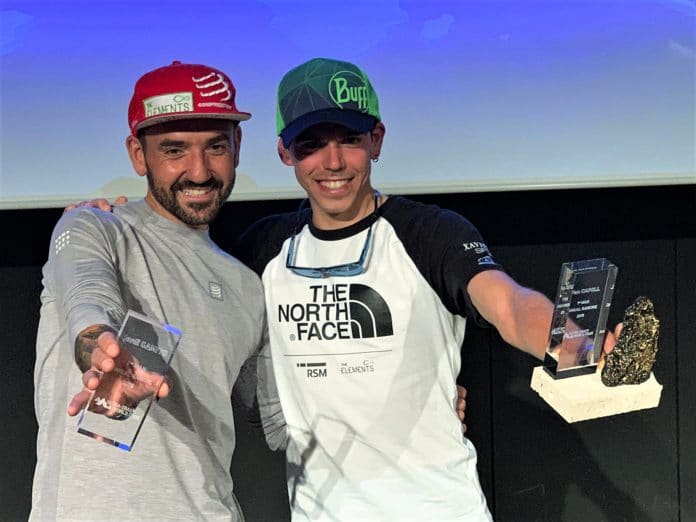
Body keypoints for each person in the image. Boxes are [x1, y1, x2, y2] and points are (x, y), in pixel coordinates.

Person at [232, 57, 618, 521]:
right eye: (311, 144)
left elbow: (508, 304)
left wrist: (573, 343)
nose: (333, 162)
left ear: (376, 140)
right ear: (284, 152)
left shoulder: (430, 234)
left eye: (350, 139)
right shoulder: (265, 247)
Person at [31, 60, 284, 521]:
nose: (199, 171)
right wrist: (100, 350)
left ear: (238, 145)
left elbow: (277, 420)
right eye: (174, 150)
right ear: (137, 154)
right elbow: (89, 297)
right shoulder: (93, 227)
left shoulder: (249, 287)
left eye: (215, 146)